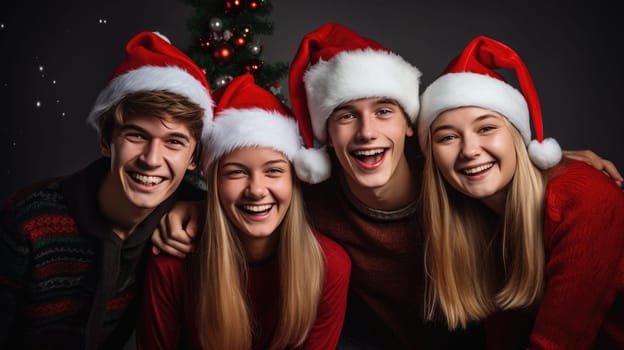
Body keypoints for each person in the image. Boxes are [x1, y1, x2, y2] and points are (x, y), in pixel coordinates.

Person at [153, 23, 623, 349]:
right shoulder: (313, 198)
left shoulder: (458, 183)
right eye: (344, 116)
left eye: (383, 111)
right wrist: (194, 205)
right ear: (325, 137)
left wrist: (559, 162)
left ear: (407, 126)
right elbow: (253, 189)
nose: (366, 133)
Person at [0, 31, 213, 349]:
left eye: (174, 142)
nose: (151, 160)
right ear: (105, 141)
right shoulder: (30, 219)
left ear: (194, 158)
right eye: (136, 135)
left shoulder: (192, 215)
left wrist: (202, 207)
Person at [416, 35, 624, 349]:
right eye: (447, 138)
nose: (470, 150)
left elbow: (558, 343)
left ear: (518, 139)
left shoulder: (584, 197)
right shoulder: (479, 217)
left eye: (486, 128)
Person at [137, 73, 351, 350]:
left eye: (273, 171)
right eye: (236, 172)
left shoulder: (329, 265)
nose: (256, 190)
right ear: (213, 184)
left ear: (294, 180)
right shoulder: (172, 262)